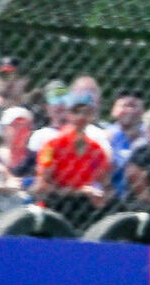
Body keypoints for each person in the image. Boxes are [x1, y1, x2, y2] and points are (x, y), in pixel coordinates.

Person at [33, 89, 113, 228]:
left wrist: (102, 195)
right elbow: (43, 185)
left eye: (87, 112)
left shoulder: (96, 150)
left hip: (85, 207)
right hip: (57, 205)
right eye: (76, 112)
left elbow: (106, 184)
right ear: (68, 115)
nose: (81, 117)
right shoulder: (52, 146)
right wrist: (78, 192)